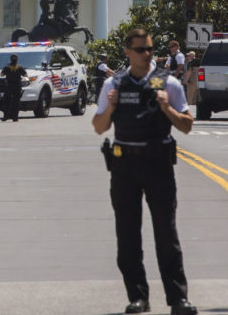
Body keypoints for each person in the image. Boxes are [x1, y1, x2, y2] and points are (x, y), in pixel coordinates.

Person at [91, 28, 198, 315]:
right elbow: (99, 126)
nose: (147, 54)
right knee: (128, 235)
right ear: (128, 52)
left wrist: (167, 108)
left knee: (166, 234)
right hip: (125, 165)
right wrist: (111, 107)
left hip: (158, 164)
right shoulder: (115, 84)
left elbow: (187, 125)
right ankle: (138, 296)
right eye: (141, 49)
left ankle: (178, 299)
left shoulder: (169, 83)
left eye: (150, 48)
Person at [0, 54, 26, 122]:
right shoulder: (20, 67)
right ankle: (15, 117)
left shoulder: (7, 67)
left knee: (7, 102)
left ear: (10, 59)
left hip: (9, 86)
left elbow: (1, 74)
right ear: (17, 60)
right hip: (17, 86)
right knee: (16, 102)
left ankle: (6, 116)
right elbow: (25, 75)